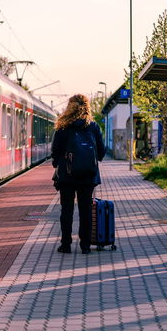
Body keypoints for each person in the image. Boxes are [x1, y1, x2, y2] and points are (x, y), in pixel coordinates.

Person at [51, 94, 105, 254]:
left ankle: (66, 244)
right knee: (86, 210)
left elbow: (55, 151)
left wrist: (58, 164)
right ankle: (85, 246)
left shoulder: (63, 127)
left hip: (67, 176)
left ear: (70, 108)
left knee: (66, 211)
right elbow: (101, 152)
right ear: (87, 107)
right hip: (88, 176)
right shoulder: (93, 127)